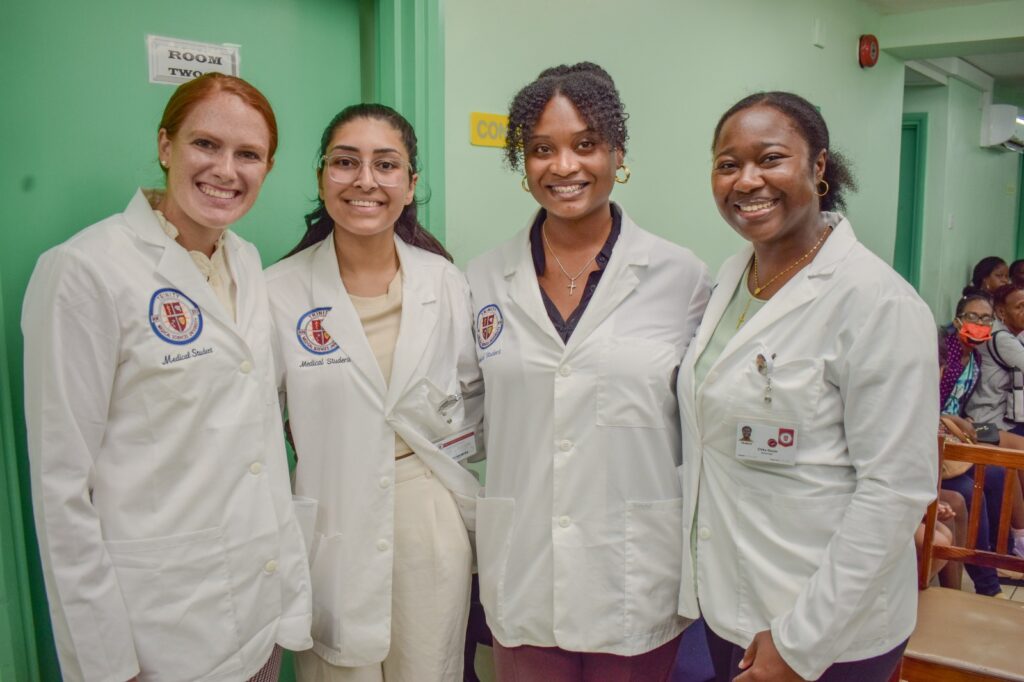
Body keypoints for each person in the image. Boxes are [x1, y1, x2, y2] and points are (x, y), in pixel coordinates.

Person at [22, 73, 312, 682]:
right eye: (206, 144)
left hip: (259, 619)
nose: (226, 170)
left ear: (268, 167)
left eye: (248, 155)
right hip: (160, 636)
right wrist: (106, 664)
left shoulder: (248, 261)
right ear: (165, 146)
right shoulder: (85, 271)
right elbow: (62, 489)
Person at [677, 91, 937, 682]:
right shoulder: (731, 276)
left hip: (827, 631)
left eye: (770, 158)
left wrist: (801, 642)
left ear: (818, 167)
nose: (747, 181)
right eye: (727, 164)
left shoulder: (878, 303)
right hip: (730, 604)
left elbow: (894, 493)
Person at [466, 62, 711, 682]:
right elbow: (461, 411)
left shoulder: (680, 277)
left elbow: (706, 423)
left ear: (617, 152)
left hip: (633, 571)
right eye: (542, 150)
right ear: (523, 163)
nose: (564, 166)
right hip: (524, 566)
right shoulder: (483, 279)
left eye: (585, 145)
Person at [266, 103, 482, 682]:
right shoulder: (277, 291)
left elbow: (473, 396)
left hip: (427, 511)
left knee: (431, 668)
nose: (365, 180)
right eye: (345, 162)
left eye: (386, 165)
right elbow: (255, 426)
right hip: (330, 507)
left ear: (410, 186)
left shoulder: (443, 281)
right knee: (338, 670)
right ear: (320, 177)